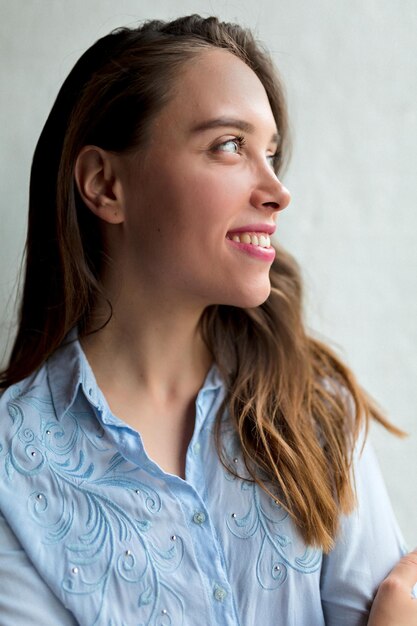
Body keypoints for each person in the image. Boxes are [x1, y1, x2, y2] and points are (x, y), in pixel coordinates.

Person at [0, 13, 412, 626]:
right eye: (229, 146)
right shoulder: (11, 464)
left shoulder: (316, 407)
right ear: (104, 184)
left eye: (270, 153)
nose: (277, 191)